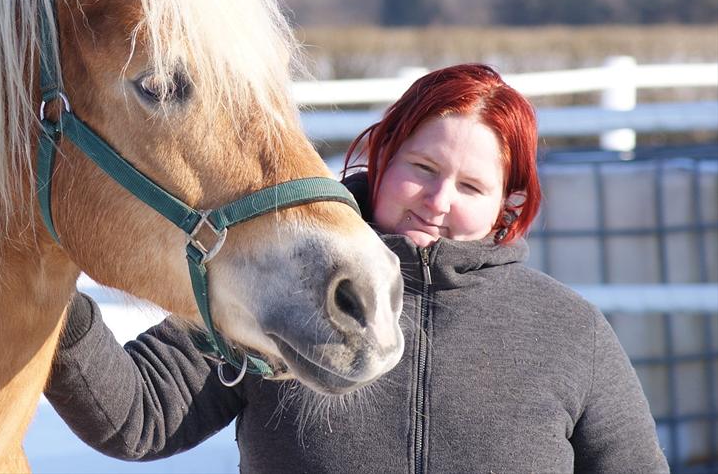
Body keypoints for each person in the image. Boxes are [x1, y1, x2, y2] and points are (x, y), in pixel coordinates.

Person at [44, 63, 668, 473]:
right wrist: (51, 303)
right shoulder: (291, 282)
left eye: (471, 186)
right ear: (384, 156)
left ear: (508, 203)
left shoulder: (567, 331)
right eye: (422, 169)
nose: (438, 199)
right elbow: (139, 418)